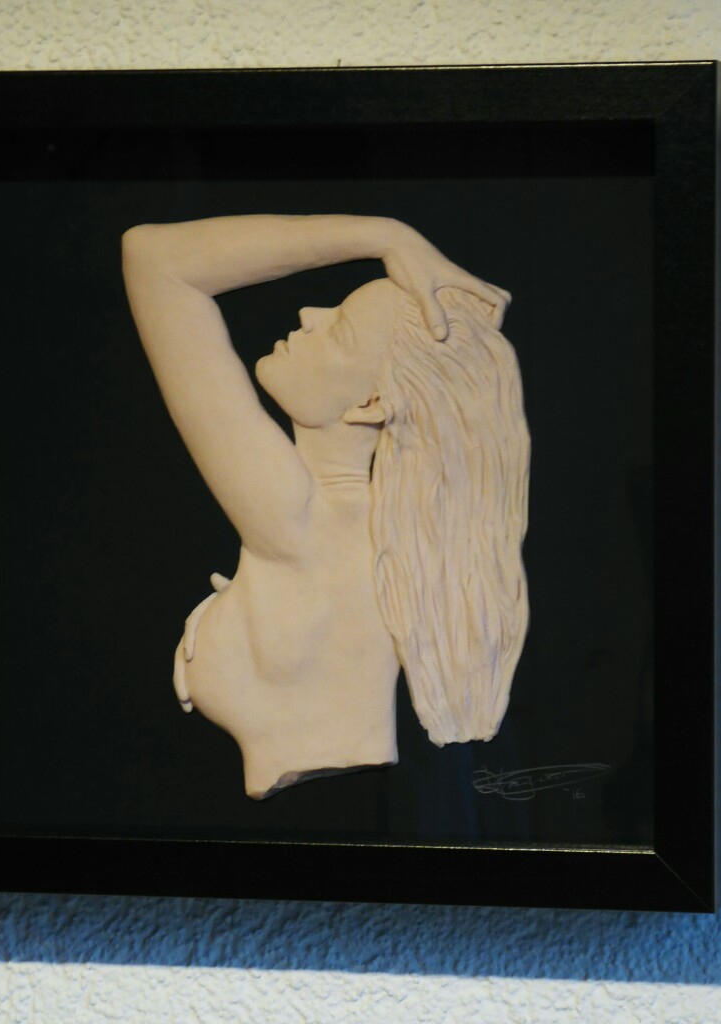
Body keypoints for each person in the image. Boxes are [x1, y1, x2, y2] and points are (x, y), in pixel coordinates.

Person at [122, 215, 530, 799]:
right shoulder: (395, 529)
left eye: (339, 330)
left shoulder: (289, 507)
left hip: (294, 776)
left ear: (370, 403)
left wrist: (386, 237)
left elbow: (156, 262)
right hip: (346, 759)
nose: (310, 313)